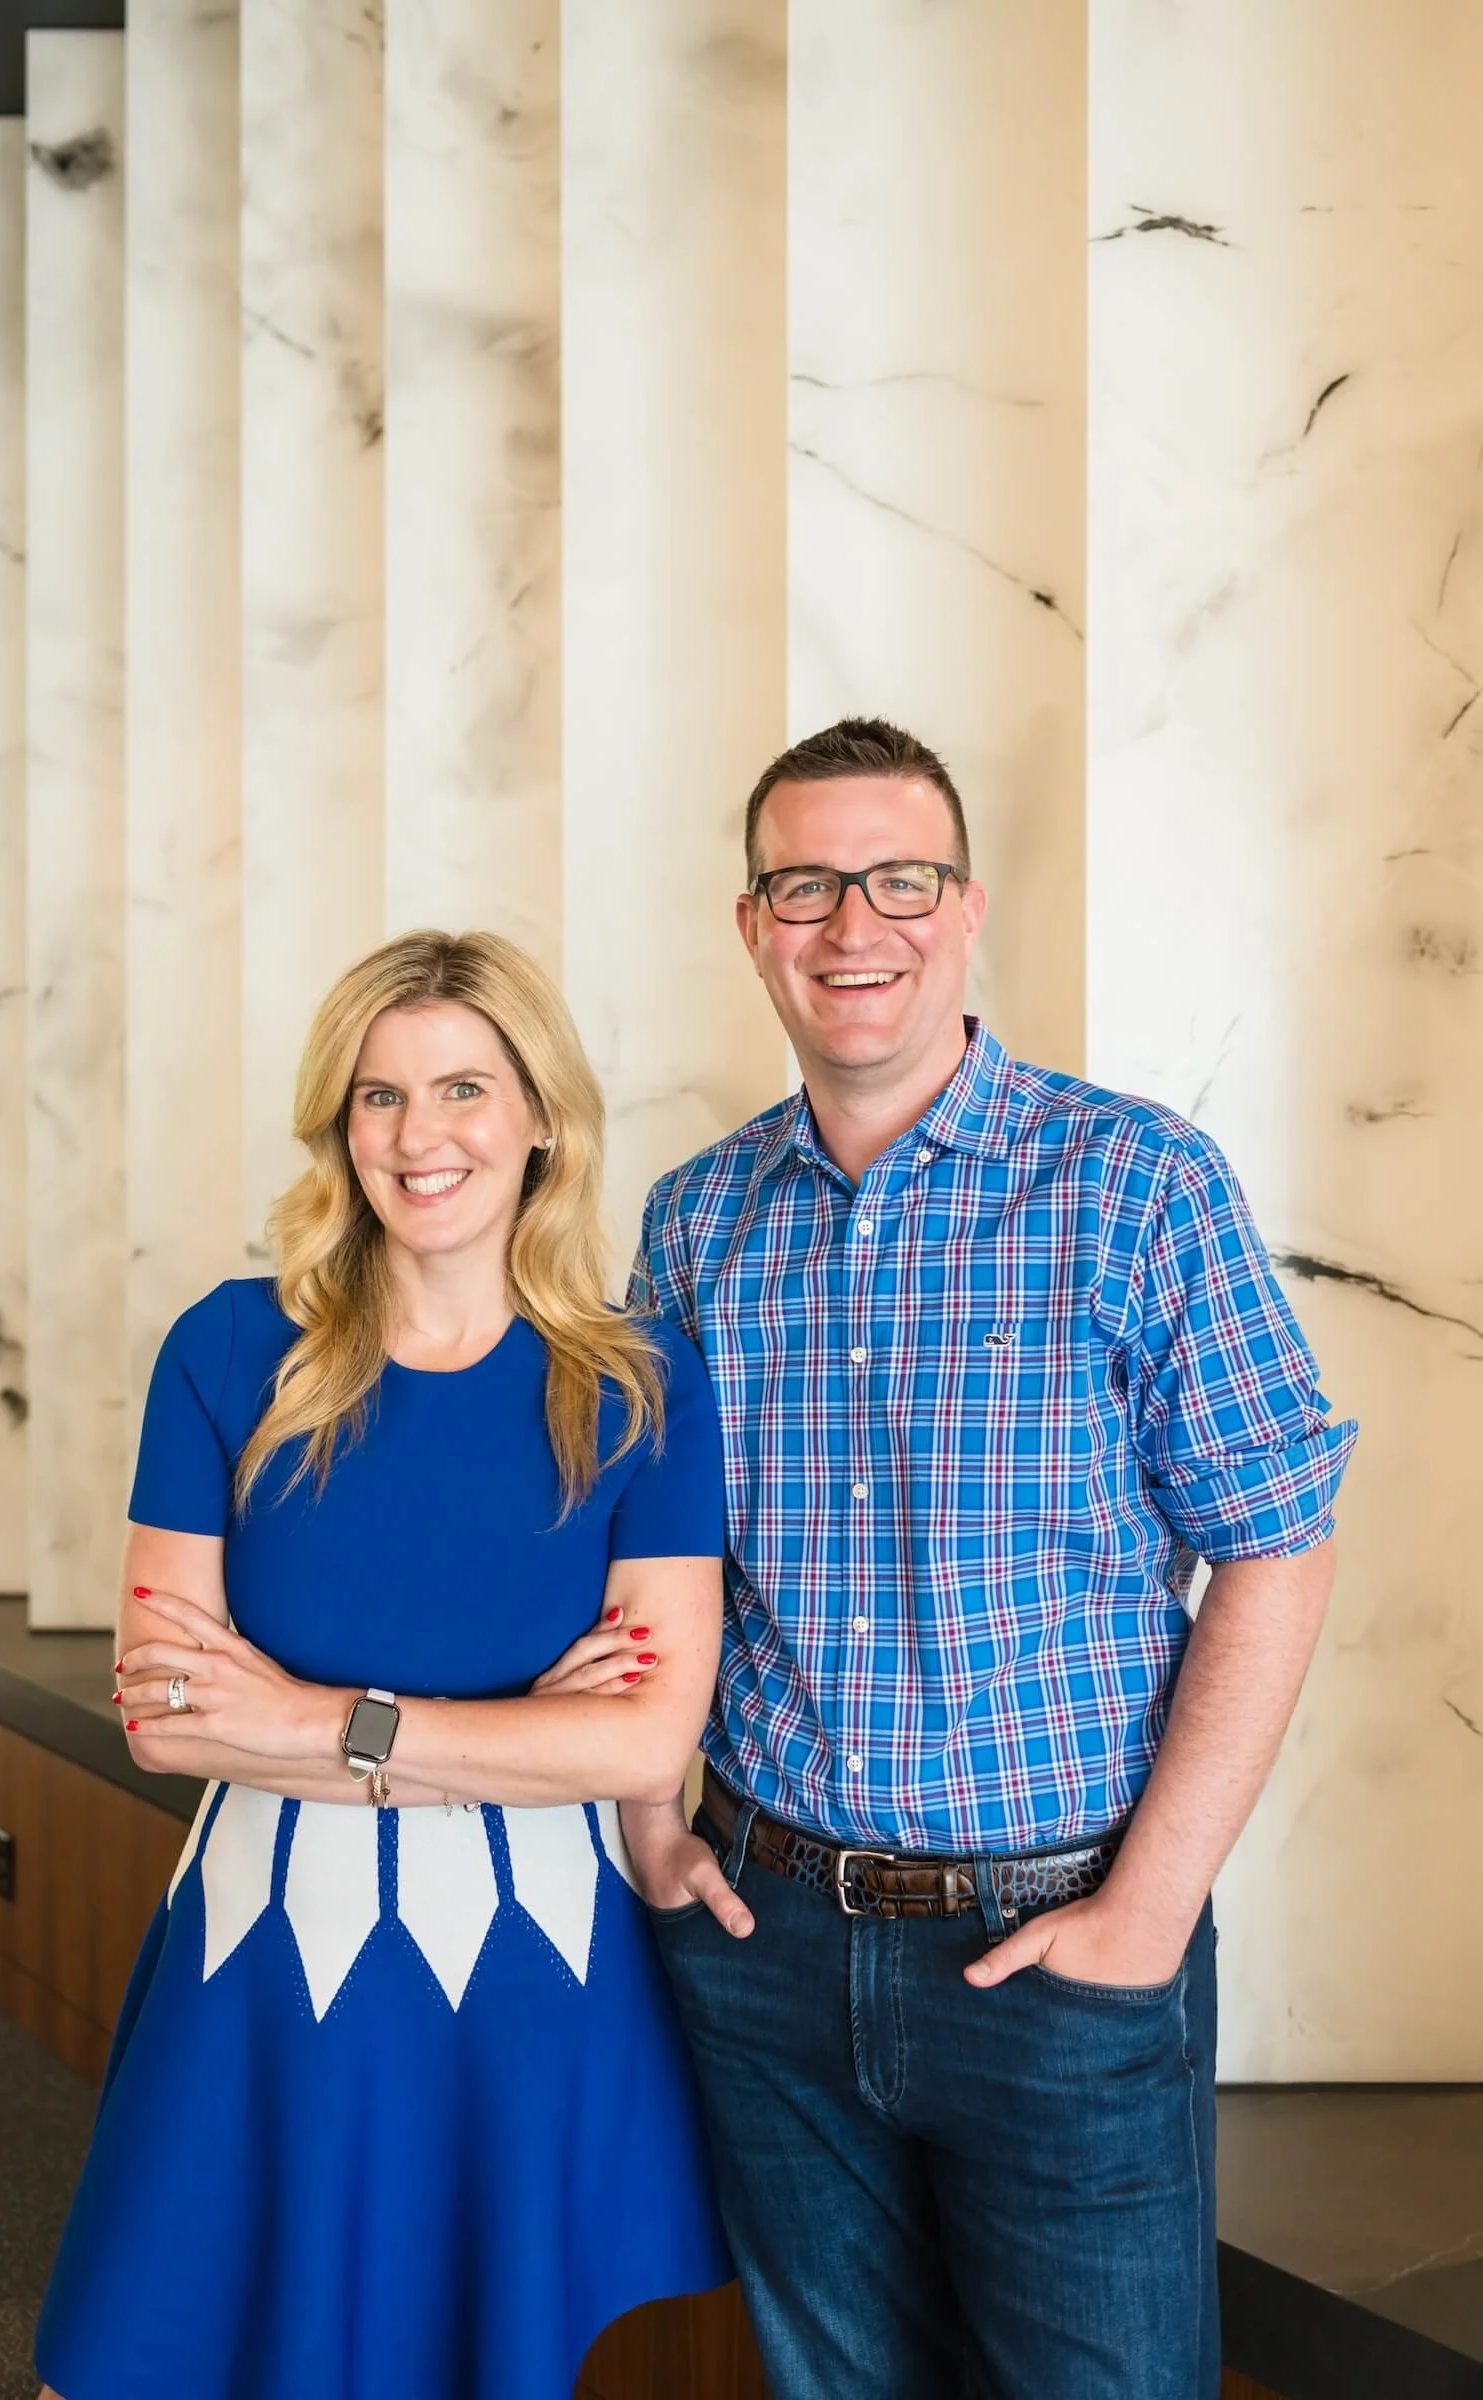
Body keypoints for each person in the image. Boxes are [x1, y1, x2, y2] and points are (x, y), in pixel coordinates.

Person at [620, 717, 1357, 2400]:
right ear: (753, 927)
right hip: (768, 1941)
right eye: (805, 886)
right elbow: (655, 1573)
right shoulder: (693, 1219)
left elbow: (1279, 1545)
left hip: (1060, 1946)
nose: (851, 926)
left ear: (965, 909)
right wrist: (653, 1819)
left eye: (898, 879)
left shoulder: (1135, 1187)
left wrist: (1150, 1909)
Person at [34, 930, 732, 2400]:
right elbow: (164, 1721)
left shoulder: (641, 1383)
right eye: (379, 1096)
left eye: (466, 1088)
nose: (422, 1138)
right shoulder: (230, 1353)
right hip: (257, 1969)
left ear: (542, 1115)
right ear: (338, 1126)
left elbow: (641, 1747)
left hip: (533, 1983)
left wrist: (303, 1720)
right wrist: (505, 1729)